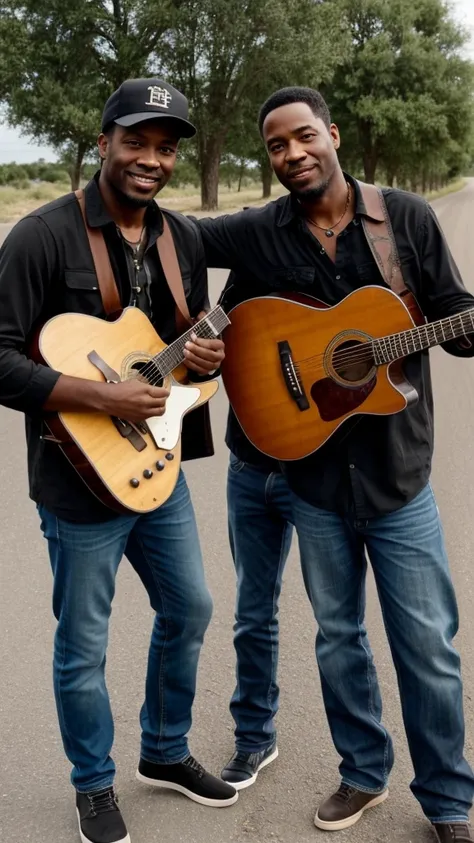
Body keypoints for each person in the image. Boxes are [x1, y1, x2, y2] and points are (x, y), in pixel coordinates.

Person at [194, 87, 474, 841]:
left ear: (334, 134)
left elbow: (456, 314)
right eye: (278, 145)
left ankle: (448, 800)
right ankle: (363, 773)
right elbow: (180, 236)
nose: (293, 154)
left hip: (397, 478)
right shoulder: (261, 231)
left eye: (304, 137)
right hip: (311, 478)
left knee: (428, 646)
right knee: (338, 636)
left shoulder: (403, 218)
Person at [0, 77, 238, 843]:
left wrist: (204, 358)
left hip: (154, 465)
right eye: (135, 141)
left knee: (192, 606)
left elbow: (176, 367)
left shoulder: (183, 240)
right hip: (74, 483)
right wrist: (97, 398)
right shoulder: (40, 235)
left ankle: (164, 751)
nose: (151, 159)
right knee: (85, 643)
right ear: (102, 144)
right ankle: (93, 785)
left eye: (165, 148)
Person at [218, 268, 295, 790]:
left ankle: (361, 764)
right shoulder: (256, 254)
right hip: (248, 468)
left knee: (340, 625)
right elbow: (214, 332)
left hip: (319, 473)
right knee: (252, 611)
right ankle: (253, 735)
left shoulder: (355, 259)